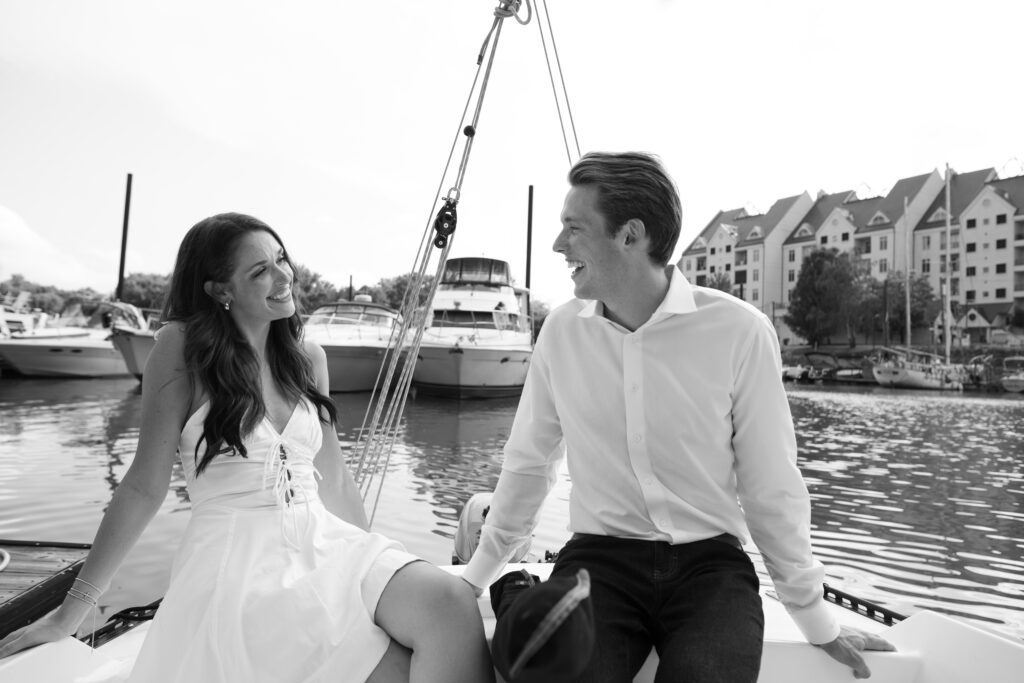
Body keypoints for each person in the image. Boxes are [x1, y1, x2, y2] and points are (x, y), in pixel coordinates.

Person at [0, 212, 494, 683]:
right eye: (260, 270)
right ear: (220, 290)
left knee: (450, 602)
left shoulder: (308, 358)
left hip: (325, 541)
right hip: (240, 561)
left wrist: (369, 567)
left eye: (281, 259)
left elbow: (336, 479)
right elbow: (143, 487)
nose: (284, 276)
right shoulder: (180, 349)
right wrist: (73, 611)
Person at [462, 152, 894, 682]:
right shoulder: (561, 332)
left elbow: (770, 485)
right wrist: (473, 580)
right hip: (599, 562)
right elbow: (530, 465)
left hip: (710, 572)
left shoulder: (740, 332)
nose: (558, 245)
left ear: (631, 235)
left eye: (573, 229)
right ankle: (516, 590)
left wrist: (815, 618)